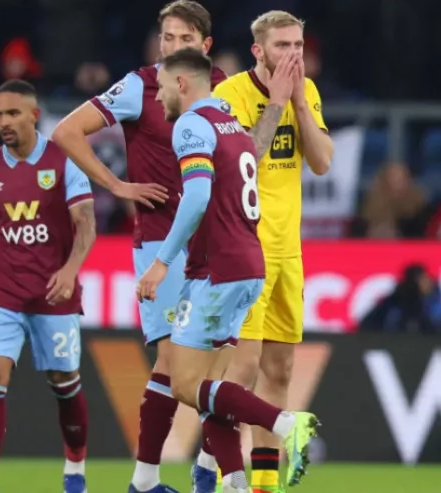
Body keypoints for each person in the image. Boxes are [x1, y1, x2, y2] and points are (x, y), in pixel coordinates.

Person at [50, 0, 226, 493]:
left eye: (184, 40)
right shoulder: (139, 85)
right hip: (158, 245)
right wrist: (117, 186)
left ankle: (207, 474)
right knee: (172, 364)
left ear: (205, 46)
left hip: (213, 244)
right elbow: (67, 132)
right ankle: (145, 481)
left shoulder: (220, 90)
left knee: (224, 364)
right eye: (166, 38)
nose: (172, 48)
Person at [135, 48, 320, 493]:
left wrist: (161, 264)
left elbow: (197, 197)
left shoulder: (192, 124)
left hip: (217, 271)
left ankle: (284, 422)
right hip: (244, 265)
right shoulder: (229, 120)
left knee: (184, 384)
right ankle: (235, 482)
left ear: (182, 83)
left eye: (160, 87)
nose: (157, 98)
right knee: (210, 388)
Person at [197, 11, 334, 493]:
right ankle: (222, 477)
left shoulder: (307, 91)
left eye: (298, 45)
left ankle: (263, 485)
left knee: (280, 370)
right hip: (242, 252)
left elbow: (320, 162)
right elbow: (239, 167)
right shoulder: (229, 96)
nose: (293, 55)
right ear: (258, 50)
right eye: (282, 46)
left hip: (288, 252)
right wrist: (275, 103)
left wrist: (296, 100)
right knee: (242, 372)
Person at [0, 80, 96, 493]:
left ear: (33, 114)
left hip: (53, 294)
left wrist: (70, 269)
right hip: (2, 291)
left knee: (64, 383)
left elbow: (86, 223)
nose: (3, 122)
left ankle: (76, 471)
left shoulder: (66, 159)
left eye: (12, 113)